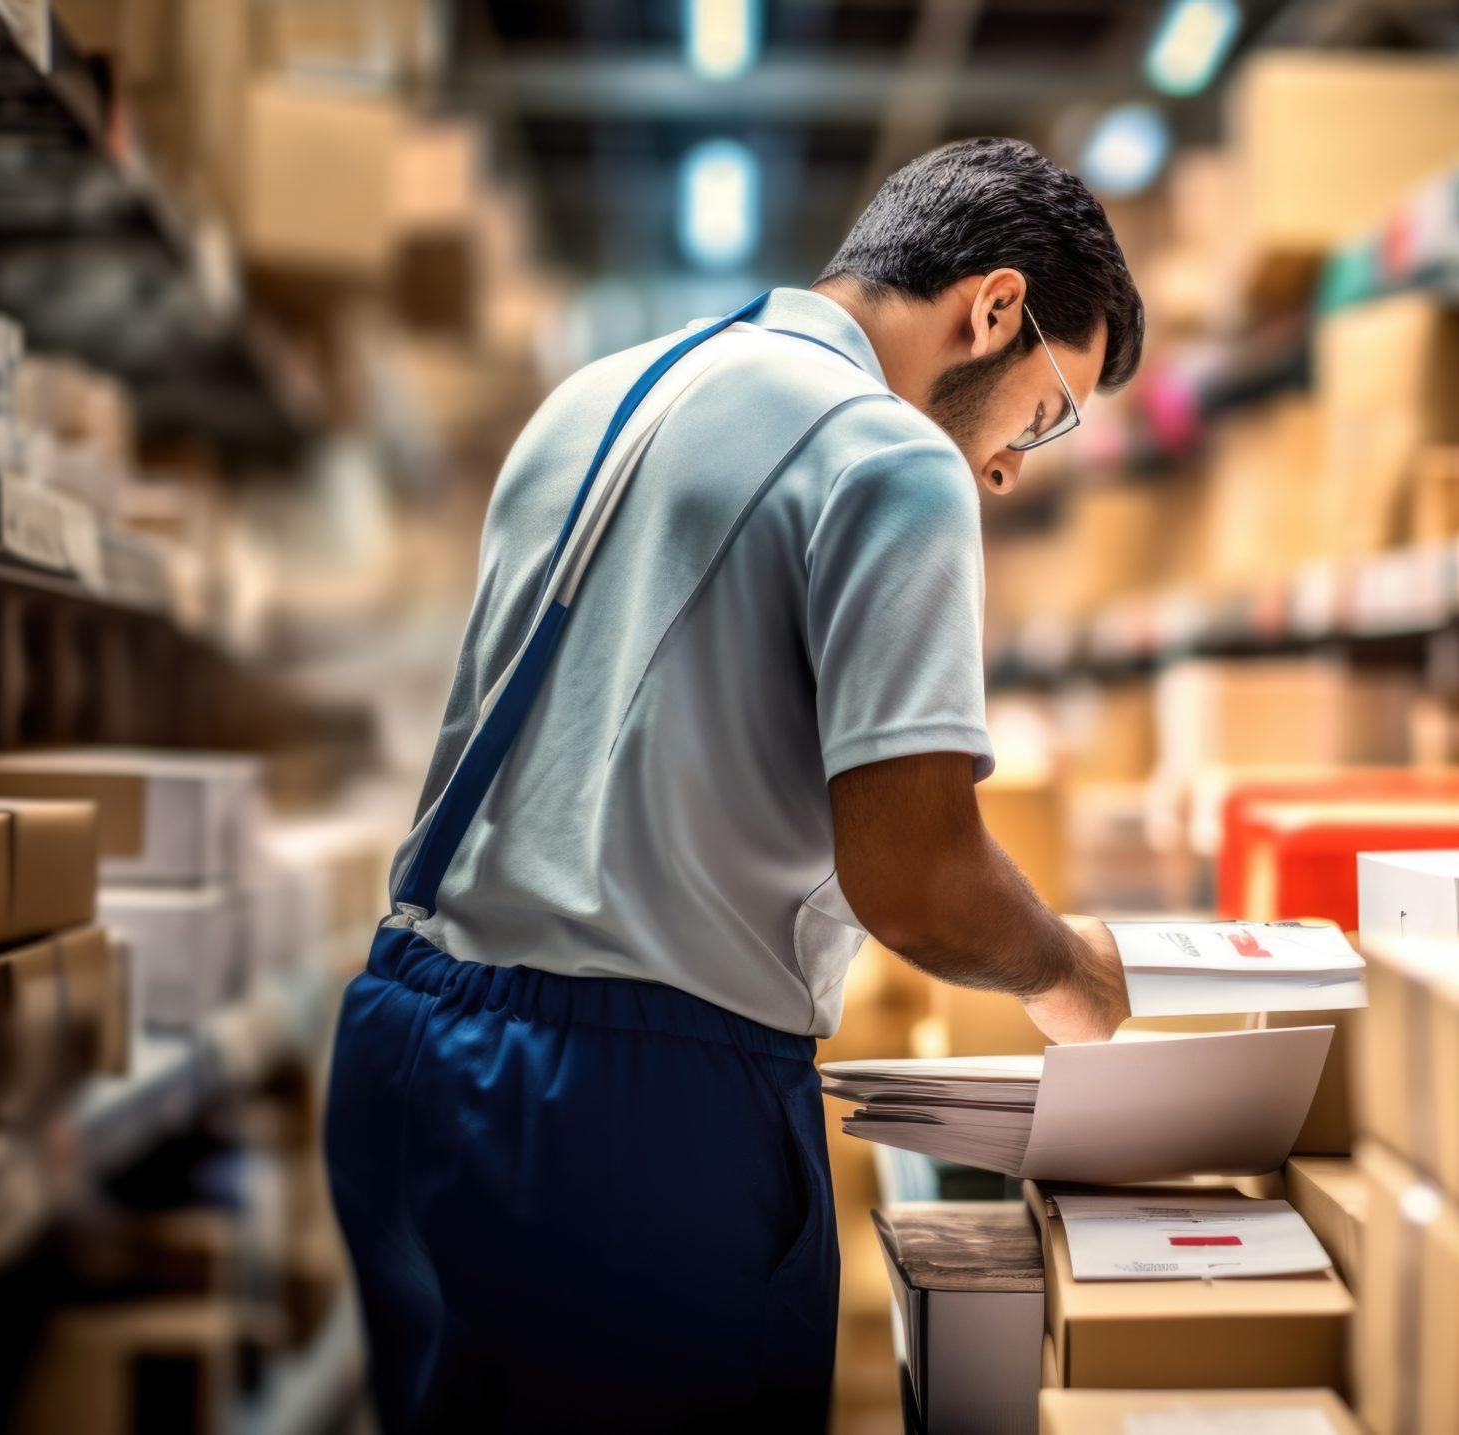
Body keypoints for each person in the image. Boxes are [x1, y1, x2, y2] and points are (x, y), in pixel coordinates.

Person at [323, 137, 1145, 1432]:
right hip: (636, 1129)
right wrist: (1070, 974)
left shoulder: (592, 399)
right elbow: (918, 883)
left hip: (405, 1051)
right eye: (1042, 416)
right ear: (993, 310)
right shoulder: (892, 457)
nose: (1009, 468)